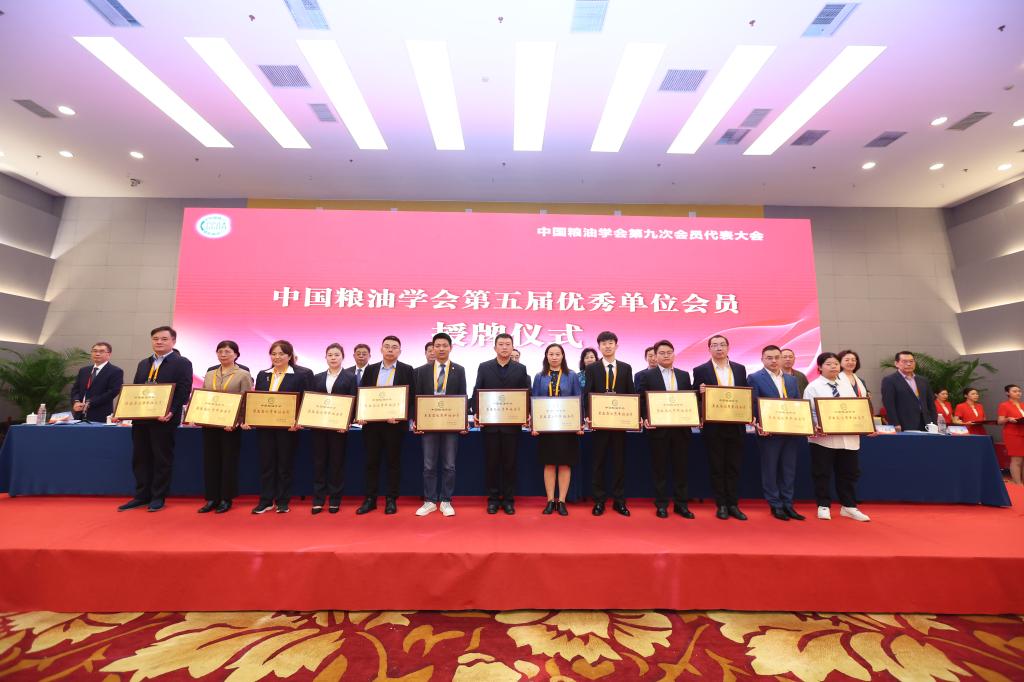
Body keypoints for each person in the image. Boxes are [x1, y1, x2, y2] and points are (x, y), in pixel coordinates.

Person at [116, 326, 193, 513]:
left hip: (164, 419)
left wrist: (172, 411)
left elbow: (184, 390)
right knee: (140, 458)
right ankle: (141, 495)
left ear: (173, 341)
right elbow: (136, 390)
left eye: (164, 339)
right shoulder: (144, 363)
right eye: (156, 339)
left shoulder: (182, 362)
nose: (159, 342)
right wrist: (125, 410)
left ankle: (158, 496)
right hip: (141, 419)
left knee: (161, 458)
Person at [804, 352, 870, 521]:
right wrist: (815, 425)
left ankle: (848, 506)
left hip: (848, 437)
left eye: (835, 364)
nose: (833, 366)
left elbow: (856, 408)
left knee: (849, 472)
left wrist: (865, 424)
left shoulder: (846, 384)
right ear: (820, 367)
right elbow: (808, 411)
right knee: (822, 473)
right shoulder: (813, 387)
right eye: (828, 364)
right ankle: (823, 505)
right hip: (823, 439)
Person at [245, 340, 308, 514]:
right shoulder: (263, 374)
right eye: (273, 354)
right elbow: (257, 400)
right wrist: (250, 418)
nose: (277, 357)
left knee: (284, 465)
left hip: (288, 429)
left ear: (289, 356)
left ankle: (282, 501)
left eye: (281, 354)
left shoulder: (301, 375)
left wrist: (299, 421)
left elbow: (306, 400)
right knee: (266, 465)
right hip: (265, 428)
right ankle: (266, 500)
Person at [472, 332, 531, 514]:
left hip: (511, 427)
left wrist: (526, 414)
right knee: (491, 464)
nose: (504, 347)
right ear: (495, 347)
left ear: (512, 347)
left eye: (508, 344)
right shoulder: (484, 367)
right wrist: (477, 413)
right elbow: (477, 391)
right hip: (490, 426)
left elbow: (525, 394)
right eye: (501, 344)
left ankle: (508, 500)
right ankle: (492, 499)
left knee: (509, 464)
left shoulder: (520, 369)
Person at [356, 335, 414, 515]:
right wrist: (360, 414)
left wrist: (403, 417)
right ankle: (370, 499)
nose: (390, 349)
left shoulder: (407, 370)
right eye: (387, 346)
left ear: (400, 351)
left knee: (393, 463)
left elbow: (412, 398)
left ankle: (391, 499)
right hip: (372, 426)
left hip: (394, 426)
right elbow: (362, 395)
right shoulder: (370, 369)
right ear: (381, 349)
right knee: (371, 463)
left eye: (394, 347)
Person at [693, 334, 749, 521]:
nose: (719, 348)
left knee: (733, 466)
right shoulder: (700, 370)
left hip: (736, 425)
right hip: (713, 427)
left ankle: (733, 504)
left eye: (722, 345)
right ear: (709, 349)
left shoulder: (740, 369)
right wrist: (699, 391)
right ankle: (721, 505)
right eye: (715, 345)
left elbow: (745, 394)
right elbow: (693, 394)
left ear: (728, 347)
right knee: (717, 467)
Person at [636, 339, 694, 519]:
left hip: (680, 430)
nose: (666, 355)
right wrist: (645, 417)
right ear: (655, 356)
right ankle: (661, 504)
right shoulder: (647, 376)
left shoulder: (684, 375)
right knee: (659, 469)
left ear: (674, 354)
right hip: (658, 430)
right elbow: (641, 399)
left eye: (669, 352)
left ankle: (681, 505)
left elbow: (690, 399)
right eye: (662, 353)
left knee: (681, 469)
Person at [193, 340, 251, 514]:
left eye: (227, 351)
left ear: (236, 354)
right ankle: (212, 498)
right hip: (210, 424)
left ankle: (226, 498)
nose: (223, 354)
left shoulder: (243, 374)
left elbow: (246, 400)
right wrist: (197, 415)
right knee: (210, 461)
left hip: (230, 427)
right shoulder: (210, 373)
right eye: (220, 351)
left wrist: (237, 422)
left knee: (228, 462)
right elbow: (204, 397)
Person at [412, 333, 467, 517]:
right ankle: (429, 501)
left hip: (451, 423)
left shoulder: (459, 370)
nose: (441, 349)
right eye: (438, 345)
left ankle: (446, 500)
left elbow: (462, 396)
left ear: (450, 348)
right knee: (429, 465)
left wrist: (462, 422)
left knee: (449, 465)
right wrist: (417, 420)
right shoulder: (421, 371)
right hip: (429, 423)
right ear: (433, 348)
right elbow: (417, 397)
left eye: (445, 345)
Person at [582, 330, 635, 516]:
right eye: (604, 343)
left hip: (619, 423)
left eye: (610, 343)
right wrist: (588, 415)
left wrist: (633, 415)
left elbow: (631, 394)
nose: (607, 346)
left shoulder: (626, 368)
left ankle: (619, 501)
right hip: (600, 423)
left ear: (616, 345)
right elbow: (587, 394)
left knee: (619, 463)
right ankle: (599, 501)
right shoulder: (592, 368)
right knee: (599, 463)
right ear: (599, 347)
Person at [748, 345, 804, 521]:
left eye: (776, 357)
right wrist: (759, 425)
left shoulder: (791, 380)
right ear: (762, 359)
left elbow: (797, 403)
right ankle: (775, 504)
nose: (773, 361)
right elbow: (754, 404)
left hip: (790, 431)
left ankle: (788, 504)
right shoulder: (754, 378)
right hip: (769, 432)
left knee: (788, 469)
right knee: (770, 469)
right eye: (769, 358)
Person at [530, 343, 582, 516]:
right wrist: (535, 425)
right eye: (551, 354)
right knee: (549, 463)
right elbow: (535, 400)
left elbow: (578, 399)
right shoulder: (539, 376)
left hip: (567, 427)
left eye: (557, 354)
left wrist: (579, 424)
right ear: (546, 356)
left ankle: (562, 501)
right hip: (546, 427)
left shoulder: (571, 375)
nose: (554, 357)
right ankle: (550, 500)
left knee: (565, 464)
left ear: (562, 356)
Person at [308, 343, 357, 514]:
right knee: (319, 463)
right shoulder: (317, 378)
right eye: (330, 355)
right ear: (325, 357)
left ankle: (335, 499)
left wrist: (347, 423)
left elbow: (354, 400)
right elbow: (311, 401)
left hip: (338, 429)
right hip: (319, 427)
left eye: (336, 355)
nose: (333, 358)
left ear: (343, 357)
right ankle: (318, 499)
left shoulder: (350, 377)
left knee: (336, 464)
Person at [880, 351, 937, 431]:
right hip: (904, 423)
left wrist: (934, 423)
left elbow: (931, 404)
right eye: (904, 361)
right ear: (896, 364)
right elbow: (889, 405)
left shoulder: (923, 381)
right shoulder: (890, 380)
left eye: (911, 361)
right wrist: (895, 423)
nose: (909, 364)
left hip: (926, 423)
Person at [70, 341, 123, 422]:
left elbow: (113, 392)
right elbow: (75, 389)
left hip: (100, 414)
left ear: (109, 354)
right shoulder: (84, 370)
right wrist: (76, 401)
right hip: (79, 414)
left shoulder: (115, 371)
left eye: (101, 351)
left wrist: (89, 403)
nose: (97, 354)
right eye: (94, 351)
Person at [997, 384, 1024, 485]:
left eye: (1019, 391)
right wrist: (1008, 419)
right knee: (1017, 459)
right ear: (1007, 393)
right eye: (1015, 391)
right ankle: (1018, 484)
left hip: (1023, 432)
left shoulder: (1022, 405)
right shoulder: (1004, 405)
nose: (1018, 393)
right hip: (1013, 434)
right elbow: (1000, 421)